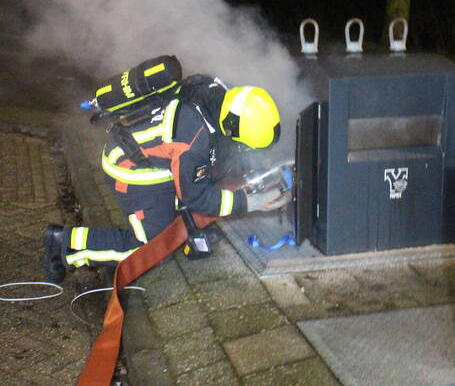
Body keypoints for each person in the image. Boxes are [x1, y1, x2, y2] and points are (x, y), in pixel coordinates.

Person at [43, 77, 290, 282]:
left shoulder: (219, 93)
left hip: (152, 157)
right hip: (131, 170)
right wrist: (248, 203)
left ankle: (131, 240)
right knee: (151, 249)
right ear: (232, 128)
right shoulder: (194, 142)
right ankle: (65, 245)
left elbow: (217, 157)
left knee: (185, 197)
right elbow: (196, 197)